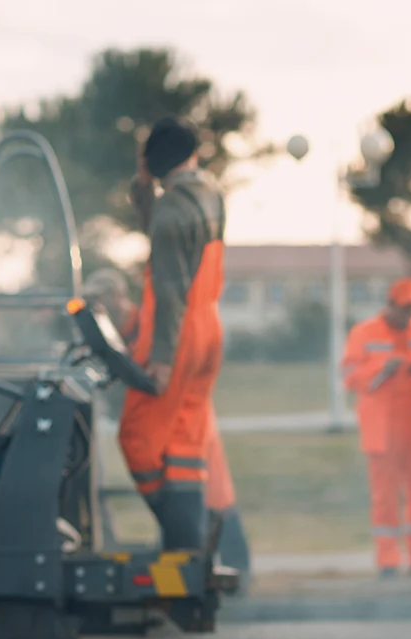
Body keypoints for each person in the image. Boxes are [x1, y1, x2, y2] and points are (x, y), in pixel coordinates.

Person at [87, 267, 251, 582]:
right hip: (163, 428)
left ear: (118, 296)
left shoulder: (147, 329)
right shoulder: (116, 336)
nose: (98, 308)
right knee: (179, 498)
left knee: (213, 496)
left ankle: (237, 569)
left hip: (185, 424)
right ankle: (189, 556)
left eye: (100, 299)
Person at [117, 118, 225, 551]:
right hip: (209, 330)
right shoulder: (211, 194)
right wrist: (146, 186)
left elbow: (168, 288)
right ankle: (194, 538)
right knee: (182, 440)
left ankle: (186, 538)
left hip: (175, 334)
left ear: (151, 162)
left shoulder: (168, 211)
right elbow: (162, 229)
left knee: (137, 436)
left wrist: (161, 358)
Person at [341, 278, 411, 578]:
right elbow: (350, 377)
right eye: (404, 309)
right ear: (389, 305)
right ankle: (388, 560)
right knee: (384, 497)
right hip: (382, 431)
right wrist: (382, 369)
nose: (408, 315)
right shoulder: (364, 333)